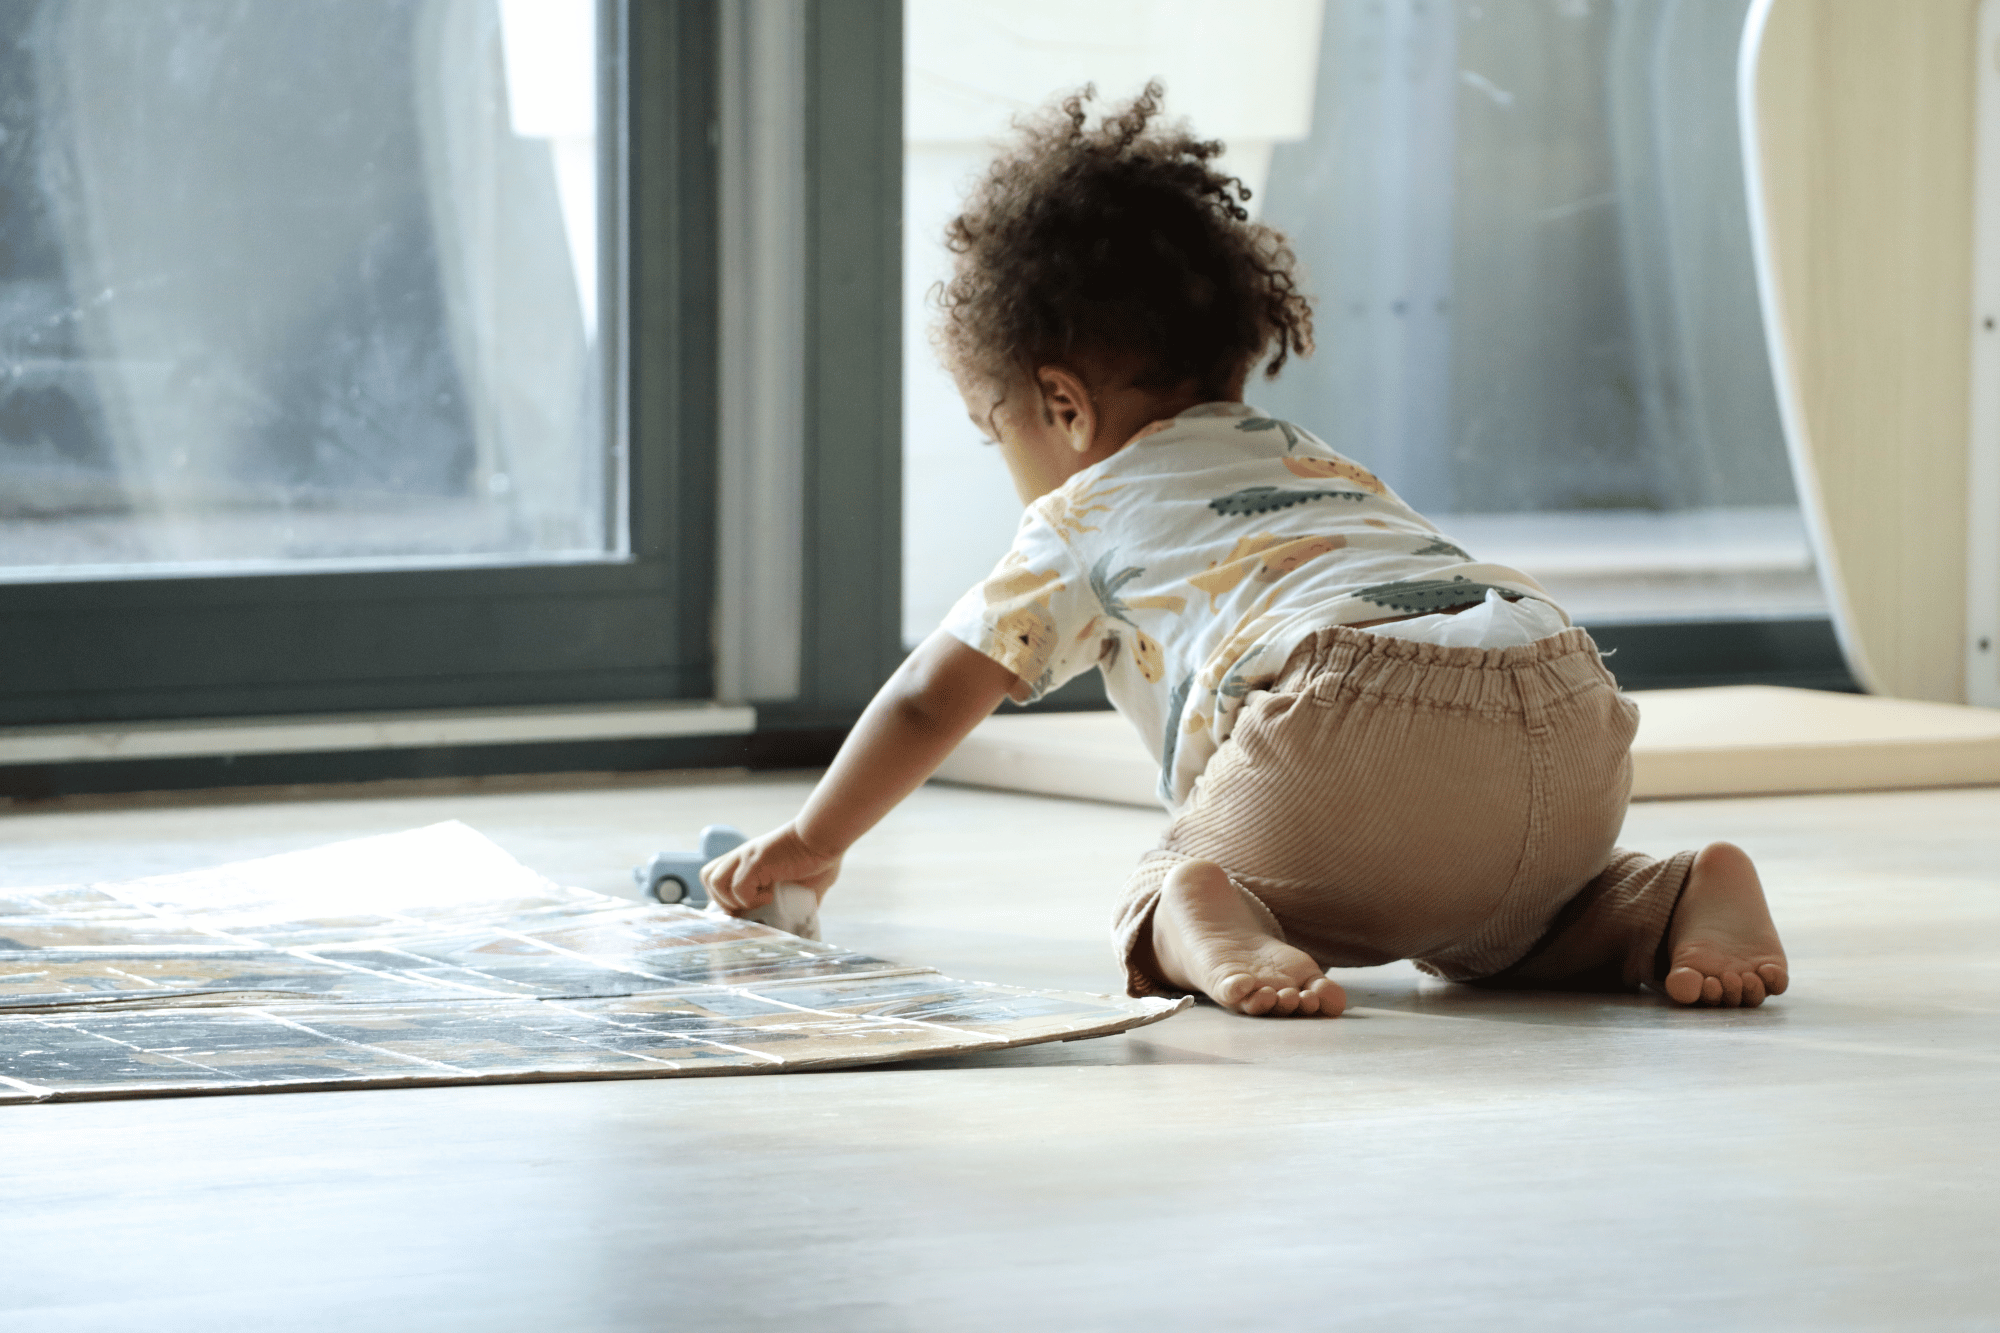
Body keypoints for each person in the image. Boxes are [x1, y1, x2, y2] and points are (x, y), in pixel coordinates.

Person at [703, 84, 1788, 1017]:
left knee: (1179, 874)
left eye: (1001, 435)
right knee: (1498, 930)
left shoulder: (1081, 513)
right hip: (1562, 698)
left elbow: (927, 699)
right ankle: (1672, 895)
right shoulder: (1308, 459)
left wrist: (811, 836)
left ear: (1062, 405)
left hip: (1344, 715)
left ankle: (1198, 915)